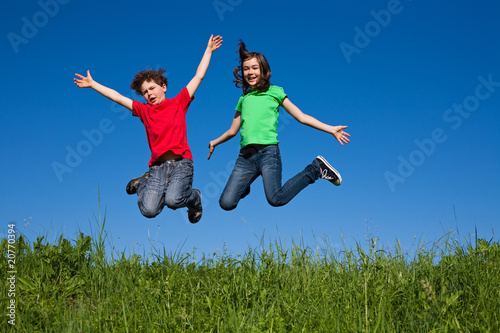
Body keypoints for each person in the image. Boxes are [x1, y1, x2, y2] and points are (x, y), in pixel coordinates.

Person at [74, 35, 223, 223]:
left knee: (173, 200)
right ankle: (144, 181)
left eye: (152, 88)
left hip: (181, 163)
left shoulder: (178, 103)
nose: (149, 94)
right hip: (157, 167)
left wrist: (208, 51)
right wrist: (93, 84)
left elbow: (198, 76)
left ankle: (195, 198)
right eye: (145, 92)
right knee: (149, 211)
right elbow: (118, 98)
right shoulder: (144, 111)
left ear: (164, 87)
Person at [207, 40, 350, 211]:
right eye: (246, 69)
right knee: (226, 203)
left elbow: (302, 117)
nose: (250, 72)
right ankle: (244, 185)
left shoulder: (275, 92)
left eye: (254, 68)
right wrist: (215, 142)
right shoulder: (243, 99)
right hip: (245, 158)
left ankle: (315, 169)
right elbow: (232, 131)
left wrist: (331, 129)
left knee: (276, 199)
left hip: (268, 154)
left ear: (263, 70)